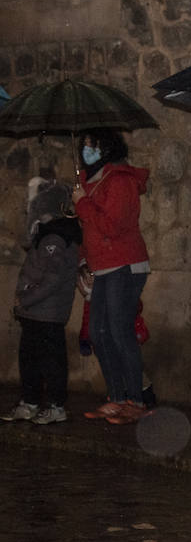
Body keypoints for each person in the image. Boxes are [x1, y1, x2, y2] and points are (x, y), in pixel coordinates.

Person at [73, 128, 153, 425]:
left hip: (124, 264)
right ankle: (117, 396)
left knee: (119, 332)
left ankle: (135, 400)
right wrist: (85, 261)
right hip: (103, 267)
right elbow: (90, 231)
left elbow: (113, 225)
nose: (87, 151)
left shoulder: (119, 181)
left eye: (92, 146)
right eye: (85, 146)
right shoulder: (90, 182)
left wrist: (82, 202)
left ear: (107, 149)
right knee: (98, 332)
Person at [4, 176, 81, 425]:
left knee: (51, 361)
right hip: (35, 312)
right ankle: (30, 401)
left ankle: (57, 406)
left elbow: (52, 279)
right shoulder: (47, 235)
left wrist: (26, 298)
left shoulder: (57, 238)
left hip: (47, 313)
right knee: (30, 359)